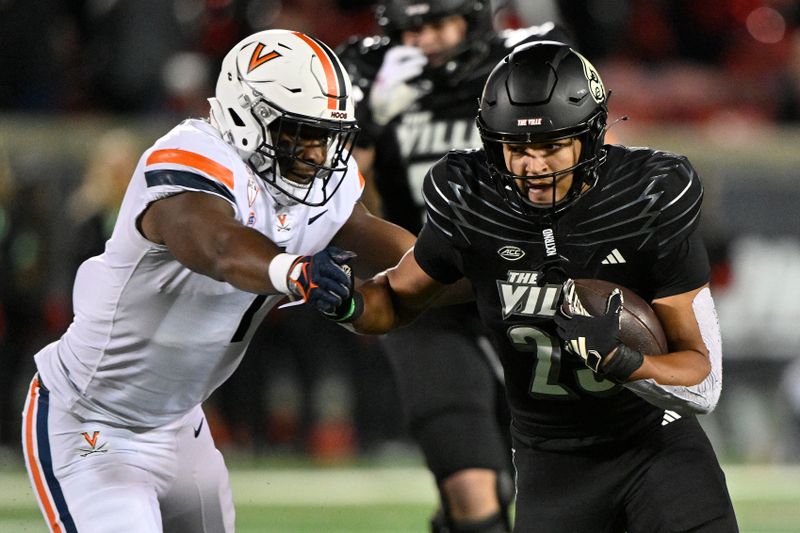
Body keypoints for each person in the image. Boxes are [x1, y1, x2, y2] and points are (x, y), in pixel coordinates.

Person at [321, 41, 739, 532]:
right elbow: (395, 299)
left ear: (591, 137)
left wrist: (628, 361)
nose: (533, 166)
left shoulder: (645, 200)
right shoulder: (473, 203)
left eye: (550, 146)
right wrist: (349, 301)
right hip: (551, 459)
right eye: (517, 148)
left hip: (654, 445)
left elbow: (703, 382)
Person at [21, 29, 414, 532]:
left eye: (327, 136)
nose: (318, 154)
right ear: (246, 116)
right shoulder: (191, 153)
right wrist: (295, 273)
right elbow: (219, 246)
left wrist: (482, 261)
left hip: (182, 423)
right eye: (301, 132)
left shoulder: (317, 185)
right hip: (91, 420)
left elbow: (404, 254)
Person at [337, 3, 572, 530]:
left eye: (439, 23)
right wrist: (367, 124)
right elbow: (337, 200)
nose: (425, 40)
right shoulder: (370, 73)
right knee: (472, 484)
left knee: (537, 480)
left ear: (473, 18)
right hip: (425, 294)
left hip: (522, 289)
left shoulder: (523, 60)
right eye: (411, 28)